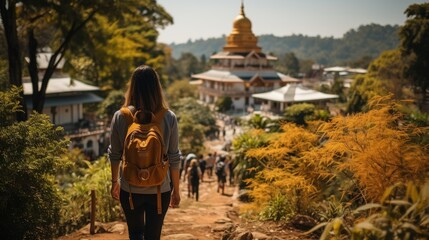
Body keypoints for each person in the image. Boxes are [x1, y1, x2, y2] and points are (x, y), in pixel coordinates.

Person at [108, 65, 181, 240]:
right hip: (160, 189)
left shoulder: (121, 116)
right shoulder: (168, 117)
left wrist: (114, 182)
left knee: (135, 234)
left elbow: (114, 154)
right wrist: (176, 190)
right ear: (157, 87)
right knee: (152, 236)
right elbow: (174, 158)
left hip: (130, 188)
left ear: (132, 87)